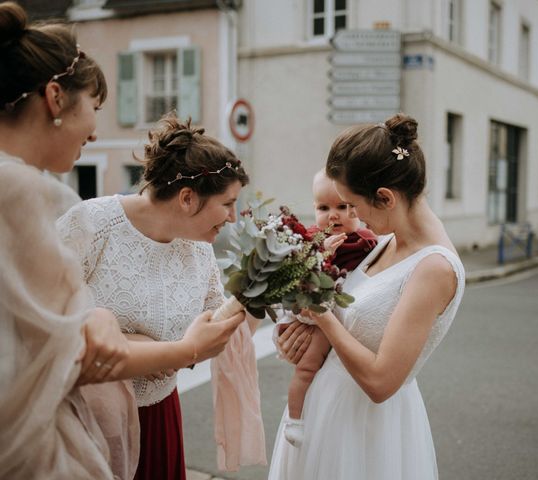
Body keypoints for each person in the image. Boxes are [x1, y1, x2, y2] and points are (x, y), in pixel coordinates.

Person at [0, 3, 244, 479]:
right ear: (55, 97)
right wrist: (174, 348)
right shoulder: (28, 195)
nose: (95, 130)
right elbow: (72, 357)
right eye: (94, 107)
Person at [57, 114, 265, 480]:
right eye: (227, 203)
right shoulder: (91, 224)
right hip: (87, 418)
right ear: (187, 198)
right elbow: (42, 322)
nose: (233, 217)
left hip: (160, 413)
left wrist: (269, 283)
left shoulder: (198, 249)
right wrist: (134, 343)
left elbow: (215, 327)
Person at [269, 114, 466, 480]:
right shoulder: (387, 242)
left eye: (353, 205)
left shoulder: (434, 269)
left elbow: (380, 383)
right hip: (323, 410)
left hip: (364, 431)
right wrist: (294, 333)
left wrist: (322, 315)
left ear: (385, 198)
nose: (351, 216)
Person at [277, 169, 377, 447]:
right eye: (324, 207)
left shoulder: (369, 241)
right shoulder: (309, 241)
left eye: (343, 207)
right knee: (307, 368)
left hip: (350, 322)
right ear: (314, 208)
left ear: (357, 208)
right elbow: (295, 281)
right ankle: (295, 419)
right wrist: (322, 254)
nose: (333, 215)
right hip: (318, 315)